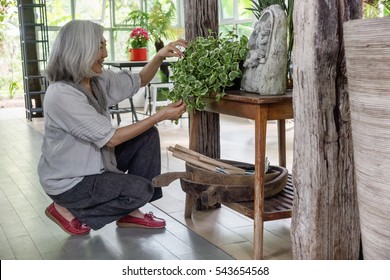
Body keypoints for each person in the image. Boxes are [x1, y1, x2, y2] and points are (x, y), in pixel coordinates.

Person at [38, 20, 187, 235]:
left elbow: (141, 79)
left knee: (147, 135)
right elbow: (111, 139)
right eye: (100, 46)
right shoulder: (61, 94)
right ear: (81, 50)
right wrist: (159, 116)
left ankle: (130, 212)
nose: (105, 53)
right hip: (72, 182)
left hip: (97, 163)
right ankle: (66, 208)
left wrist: (159, 56)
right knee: (142, 190)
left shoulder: (96, 80)